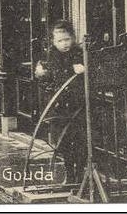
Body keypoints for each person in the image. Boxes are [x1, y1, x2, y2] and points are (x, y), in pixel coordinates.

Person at [35, 20, 87, 184]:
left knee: (80, 140)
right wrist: (41, 74)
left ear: (73, 38)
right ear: (53, 41)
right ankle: (69, 173)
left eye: (67, 39)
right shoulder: (50, 56)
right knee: (63, 141)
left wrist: (83, 69)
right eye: (60, 41)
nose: (64, 44)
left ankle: (80, 173)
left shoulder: (80, 54)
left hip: (78, 105)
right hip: (59, 106)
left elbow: (89, 77)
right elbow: (47, 80)